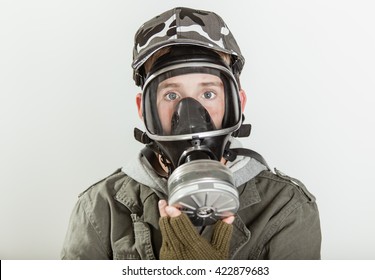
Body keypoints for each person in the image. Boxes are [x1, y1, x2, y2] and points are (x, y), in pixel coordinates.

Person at [61, 6, 321, 260]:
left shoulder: (285, 206)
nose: (189, 114)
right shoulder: (100, 208)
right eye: (171, 95)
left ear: (237, 104)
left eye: (208, 94)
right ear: (144, 109)